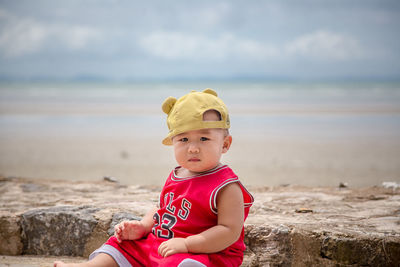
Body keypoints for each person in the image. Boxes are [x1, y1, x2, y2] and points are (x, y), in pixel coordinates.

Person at [54, 88, 254, 267]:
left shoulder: (226, 186)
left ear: (225, 144)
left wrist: (187, 244)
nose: (193, 147)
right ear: (173, 141)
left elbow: (229, 230)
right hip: (164, 243)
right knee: (123, 245)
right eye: (184, 139)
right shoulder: (177, 174)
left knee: (182, 263)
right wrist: (143, 226)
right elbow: (162, 209)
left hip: (206, 252)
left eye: (204, 138)